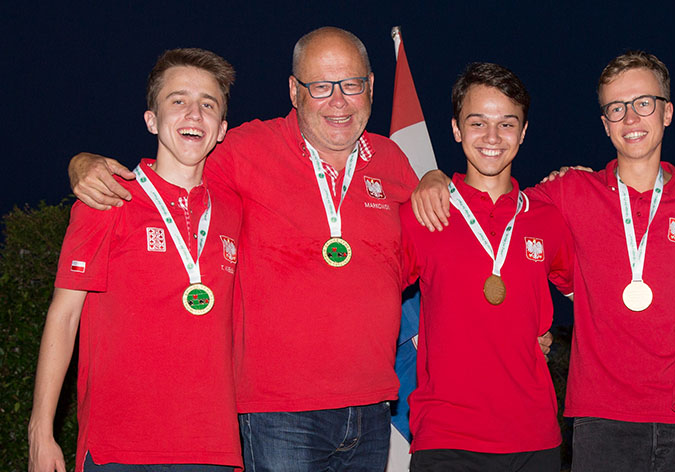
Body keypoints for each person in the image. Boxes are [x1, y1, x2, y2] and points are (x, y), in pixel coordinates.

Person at [69, 27, 417, 472]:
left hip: (373, 406)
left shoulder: (392, 161)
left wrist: (432, 180)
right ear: (293, 90)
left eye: (351, 84)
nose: (338, 101)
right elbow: (173, 163)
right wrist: (80, 163)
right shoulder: (247, 148)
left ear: (370, 86)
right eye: (320, 86)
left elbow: (435, 243)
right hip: (278, 413)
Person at [413, 51, 675, 471]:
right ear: (604, 123)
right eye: (616, 108)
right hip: (601, 421)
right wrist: (432, 177)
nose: (630, 118)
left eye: (643, 103)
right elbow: (494, 209)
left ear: (668, 112)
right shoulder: (567, 195)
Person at [28, 48, 241, 472]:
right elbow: (64, 316)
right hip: (119, 447)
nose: (193, 114)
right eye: (177, 100)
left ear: (221, 129)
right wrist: (41, 431)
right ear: (151, 120)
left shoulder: (234, 209)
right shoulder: (106, 198)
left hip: (211, 448)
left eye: (208, 104)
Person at [400, 62, 573, 471]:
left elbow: (593, 292)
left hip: (534, 438)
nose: (492, 137)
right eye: (477, 123)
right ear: (456, 129)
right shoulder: (422, 213)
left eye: (506, 124)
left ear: (523, 131)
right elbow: (368, 296)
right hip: (447, 439)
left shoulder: (547, 218)